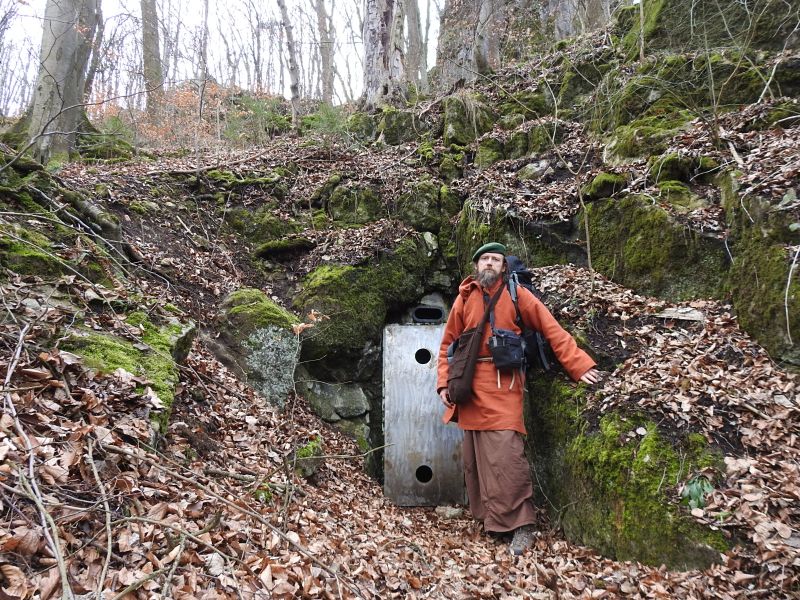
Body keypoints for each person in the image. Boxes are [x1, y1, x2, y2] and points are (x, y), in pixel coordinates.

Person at [436, 242, 600, 556]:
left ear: (503, 267)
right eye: (484, 259)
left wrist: (579, 365)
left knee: (506, 457)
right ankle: (493, 522)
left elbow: (552, 329)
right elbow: (447, 345)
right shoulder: (464, 297)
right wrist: (444, 383)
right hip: (468, 388)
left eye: (495, 259)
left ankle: (523, 526)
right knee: (476, 461)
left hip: (503, 386)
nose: (489, 264)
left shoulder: (516, 294)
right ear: (476, 265)